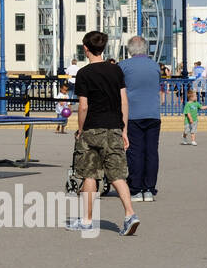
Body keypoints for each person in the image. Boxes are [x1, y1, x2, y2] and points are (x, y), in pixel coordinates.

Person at [67, 31, 139, 236]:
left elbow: (83, 106)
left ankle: (87, 220)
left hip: (92, 129)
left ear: (85, 48)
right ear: (103, 48)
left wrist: (80, 130)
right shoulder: (116, 71)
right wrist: (124, 129)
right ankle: (130, 213)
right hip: (114, 127)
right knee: (117, 175)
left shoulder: (84, 74)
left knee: (89, 174)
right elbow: (124, 101)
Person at [119, 35, 162, 201]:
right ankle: (149, 188)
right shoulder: (155, 66)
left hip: (132, 115)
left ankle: (136, 189)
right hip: (153, 113)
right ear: (145, 48)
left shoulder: (123, 66)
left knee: (135, 151)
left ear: (130, 49)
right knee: (151, 152)